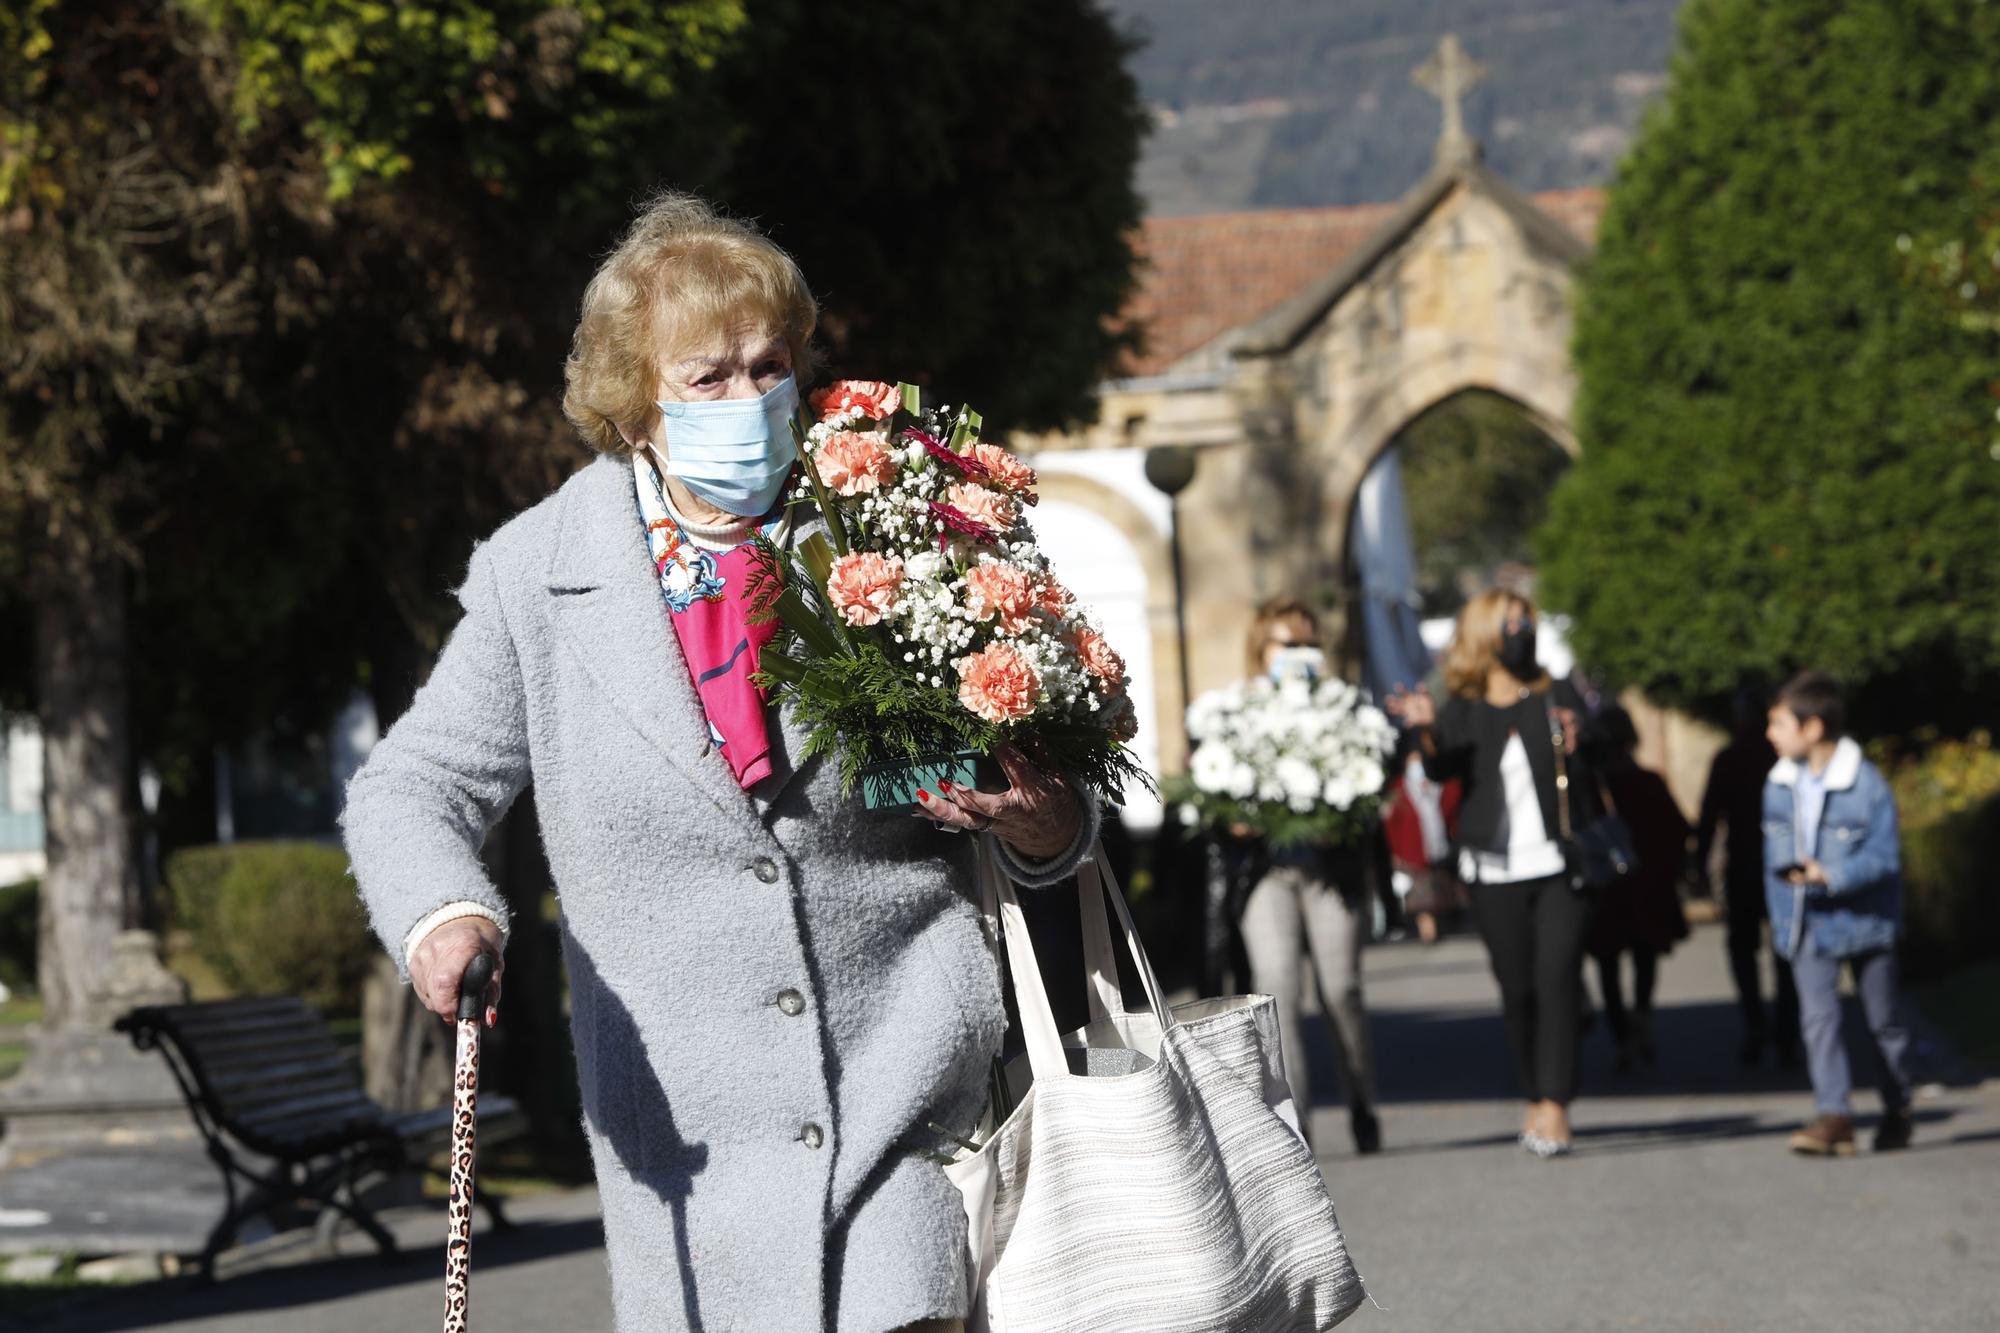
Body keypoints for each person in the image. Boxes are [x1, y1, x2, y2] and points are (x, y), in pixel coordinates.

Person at [340, 193, 1098, 1333]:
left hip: (910, 1099)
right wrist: (444, 911)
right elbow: (413, 785)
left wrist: (1041, 822)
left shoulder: (895, 530)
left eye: (769, 365)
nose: (748, 399)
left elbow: (1040, 804)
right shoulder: (535, 573)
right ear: (632, 404)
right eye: (707, 377)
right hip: (683, 1146)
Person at [1385, 588, 1601, 1157]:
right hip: (1491, 868)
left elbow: (1599, 745)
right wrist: (1425, 729)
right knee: (1519, 989)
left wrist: (1580, 739)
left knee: (1557, 980)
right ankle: (1534, 1091)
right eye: (1510, 622)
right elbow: (1441, 763)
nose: (1521, 630)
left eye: (1526, 620)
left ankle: (1555, 1104)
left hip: (1557, 864)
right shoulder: (1464, 702)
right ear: (1485, 632)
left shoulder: (1555, 693)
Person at [1232, 597, 1382, 1154]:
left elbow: (1372, 787)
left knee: (1341, 988)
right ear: (1261, 649)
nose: (1298, 656)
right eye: (1285, 645)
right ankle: (1299, 1128)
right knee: (1279, 991)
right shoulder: (1235, 713)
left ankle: (1362, 1098)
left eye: (1306, 645)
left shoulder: (1342, 710)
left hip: (1328, 869)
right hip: (1267, 873)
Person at [1763, 671, 1915, 1157]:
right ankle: (1836, 1117)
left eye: (1779, 724)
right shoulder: (1778, 784)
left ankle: (1898, 1108)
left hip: (1865, 920)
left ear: (1813, 727)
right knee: (1819, 1022)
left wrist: (1830, 873)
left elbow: (1885, 857)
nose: (1770, 734)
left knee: (1884, 1024)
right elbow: (1771, 859)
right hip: (1808, 920)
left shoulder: (1866, 785)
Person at [1585, 706, 1691, 1074]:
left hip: (1607, 889)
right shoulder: (1647, 781)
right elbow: (1677, 830)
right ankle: (1642, 1016)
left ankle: (1621, 1037)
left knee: (1608, 966)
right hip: (1645, 883)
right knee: (1644, 957)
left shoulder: (1590, 792)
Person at [1697, 686, 1800, 1066]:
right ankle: (1784, 1030)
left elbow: (1710, 814)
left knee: (1744, 950)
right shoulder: (1774, 756)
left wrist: (1700, 864)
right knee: (1783, 950)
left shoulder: (1731, 757)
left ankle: (1757, 1023)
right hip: (1778, 863)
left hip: (1746, 863)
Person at [1383, 744, 1464, 944]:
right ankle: (1426, 927)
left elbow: (1453, 803)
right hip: (1412, 853)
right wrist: (1395, 850)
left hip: (1438, 847)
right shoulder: (1398, 789)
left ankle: (1438, 922)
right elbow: (1392, 823)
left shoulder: (1439, 784)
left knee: (1437, 891)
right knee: (1420, 896)